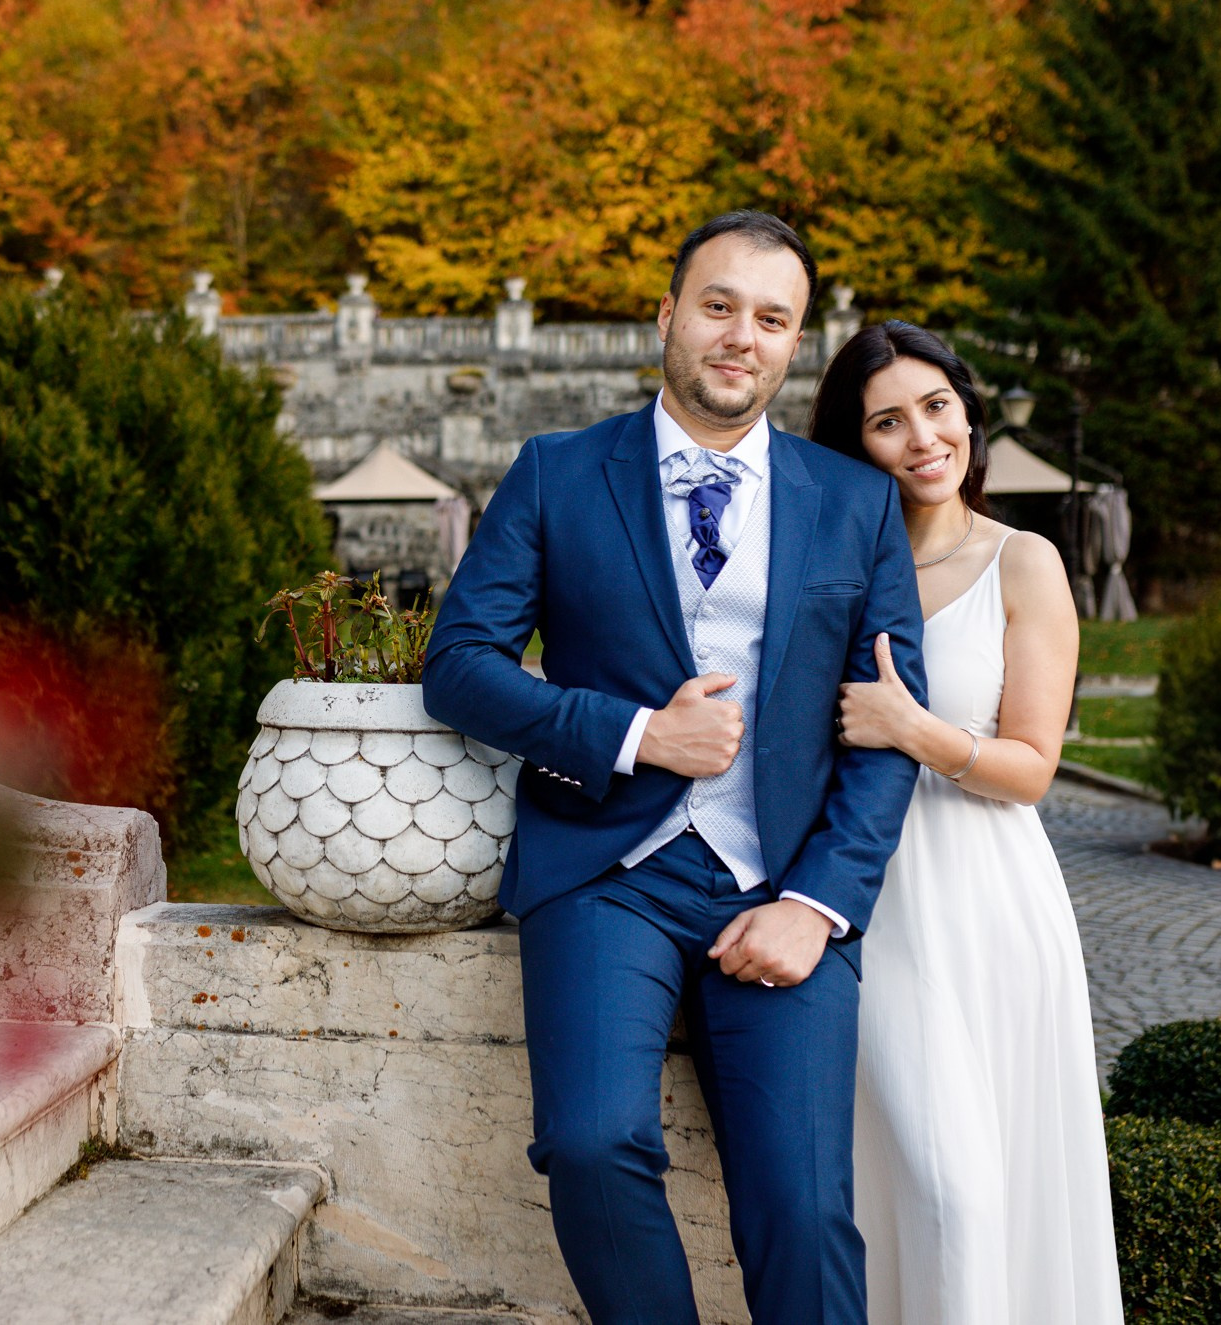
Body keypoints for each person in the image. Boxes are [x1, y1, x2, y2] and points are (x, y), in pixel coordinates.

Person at [423, 211, 924, 1324]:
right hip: (607, 873)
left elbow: (891, 727)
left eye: (771, 318)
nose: (740, 335)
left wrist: (818, 904)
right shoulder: (557, 474)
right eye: (718, 305)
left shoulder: (852, 502)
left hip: (779, 878)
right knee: (591, 1141)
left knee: (800, 1205)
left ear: (793, 344)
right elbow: (457, 664)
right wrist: (637, 733)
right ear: (667, 316)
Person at [810, 320, 1124, 1325]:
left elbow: (1031, 768)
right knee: (920, 1184)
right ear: (853, 444)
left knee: (980, 1189)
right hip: (871, 904)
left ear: (967, 413)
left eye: (935, 407)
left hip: (988, 900)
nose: (921, 438)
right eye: (885, 421)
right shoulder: (833, 571)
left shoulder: (1021, 562)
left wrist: (915, 730)